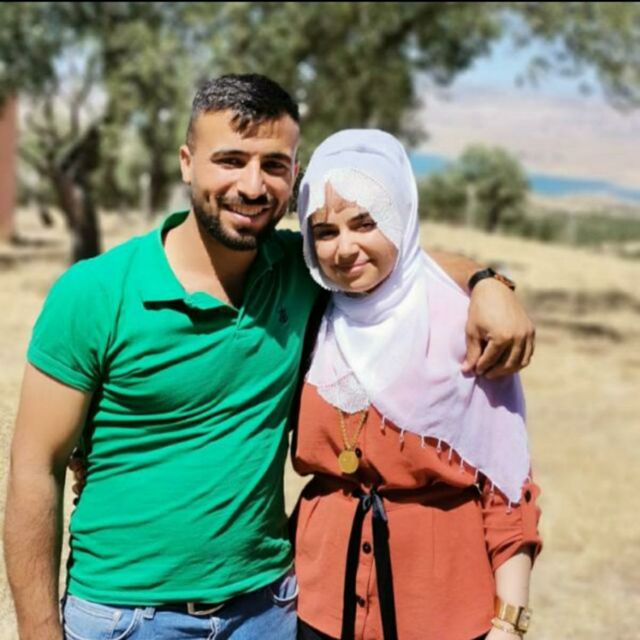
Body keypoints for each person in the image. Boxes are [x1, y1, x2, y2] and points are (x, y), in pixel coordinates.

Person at [4, 74, 535, 640]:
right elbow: (35, 468)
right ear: (186, 163)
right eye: (230, 160)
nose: (253, 185)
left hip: (268, 610)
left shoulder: (303, 269)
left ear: (294, 174)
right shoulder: (94, 292)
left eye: (274, 165)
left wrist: (488, 283)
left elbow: (398, 255)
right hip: (126, 618)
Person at [291, 130, 542, 640]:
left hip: (441, 613)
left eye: (366, 222)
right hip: (315, 606)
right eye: (325, 231)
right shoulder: (308, 313)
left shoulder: (464, 324)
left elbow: (506, 487)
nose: (345, 248)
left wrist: (509, 624)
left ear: (401, 219)